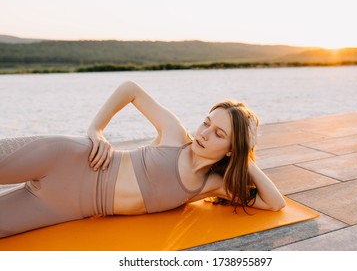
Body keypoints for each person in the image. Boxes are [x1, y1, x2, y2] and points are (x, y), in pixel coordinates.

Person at [0, 81, 285, 238]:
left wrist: (245, 159)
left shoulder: (211, 185)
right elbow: (130, 90)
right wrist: (96, 129)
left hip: (60, 207)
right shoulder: (175, 135)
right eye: (206, 122)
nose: (205, 133)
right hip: (66, 158)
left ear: (231, 150)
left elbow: (275, 203)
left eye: (219, 133)